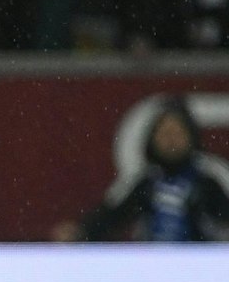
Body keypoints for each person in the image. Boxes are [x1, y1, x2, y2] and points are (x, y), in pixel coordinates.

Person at [75, 96, 229, 242]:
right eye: (165, 134)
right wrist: (81, 232)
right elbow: (109, 215)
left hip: (201, 262)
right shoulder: (143, 180)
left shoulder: (209, 177)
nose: (171, 141)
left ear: (190, 137)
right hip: (151, 262)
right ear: (152, 139)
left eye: (177, 133)